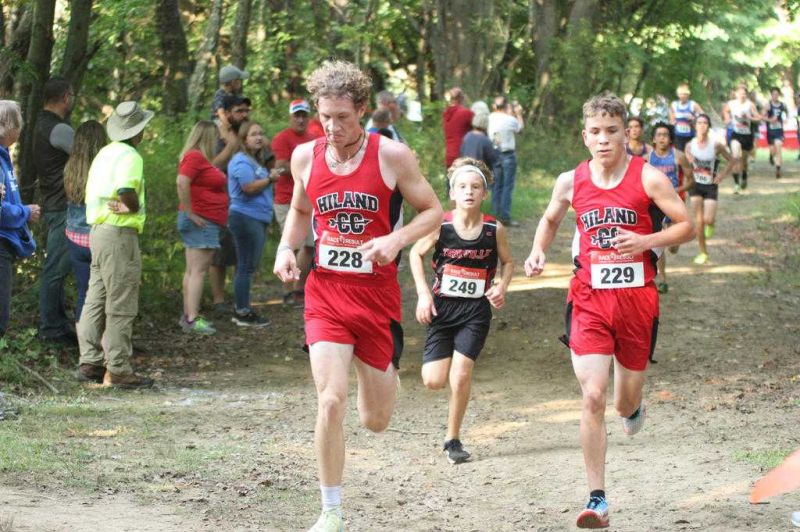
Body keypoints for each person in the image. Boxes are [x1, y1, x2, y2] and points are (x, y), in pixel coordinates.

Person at [273, 60, 442, 532]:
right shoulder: (306, 156)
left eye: (342, 117)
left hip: (376, 300)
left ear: (362, 110)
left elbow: (433, 211)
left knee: (375, 420)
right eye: (324, 117)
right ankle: (331, 511)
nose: (332, 126)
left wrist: (395, 239)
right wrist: (288, 247)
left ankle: (385, 375)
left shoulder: (391, 156)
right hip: (325, 293)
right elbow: (302, 209)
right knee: (330, 400)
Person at [523, 93, 694, 529]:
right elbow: (550, 219)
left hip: (637, 299)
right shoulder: (570, 180)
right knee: (593, 394)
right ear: (585, 136)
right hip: (589, 297)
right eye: (595, 132)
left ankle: (633, 408)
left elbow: (686, 226)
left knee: (622, 401)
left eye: (612, 131)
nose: (604, 140)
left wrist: (646, 242)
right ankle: (597, 497)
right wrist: (538, 251)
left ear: (625, 133)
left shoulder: (649, 178)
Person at [409, 158, 513, 464]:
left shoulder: (494, 229)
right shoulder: (440, 225)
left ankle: (452, 439)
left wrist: (502, 286)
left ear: (484, 194)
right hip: (442, 310)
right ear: (453, 193)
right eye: (462, 186)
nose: (469, 191)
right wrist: (423, 294)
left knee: (461, 373)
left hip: (475, 312)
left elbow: (508, 262)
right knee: (433, 380)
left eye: (476, 187)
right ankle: (450, 424)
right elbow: (415, 253)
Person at [76, 101, 154, 389]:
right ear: (139, 131)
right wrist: (132, 208)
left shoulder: (104, 154)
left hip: (97, 231)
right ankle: (119, 368)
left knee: (95, 296)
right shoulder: (130, 155)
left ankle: (90, 361)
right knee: (121, 300)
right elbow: (125, 189)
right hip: (119, 234)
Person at [176, 121, 230, 335]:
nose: (218, 140)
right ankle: (192, 318)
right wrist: (190, 212)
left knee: (191, 271)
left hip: (204, 221)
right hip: (202, 222)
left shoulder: (198, 158)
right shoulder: (195, 156)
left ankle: (188, 316)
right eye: (216, 136)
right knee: (198, 272)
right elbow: (182, 182)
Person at [35, 77, 76, 344]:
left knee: (57, 267)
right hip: (61, 206)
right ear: (65, 97)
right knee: (56, 269)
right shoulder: (59, 129)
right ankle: (51, 328)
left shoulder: (40, 124)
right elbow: (89, 155)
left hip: (53, 203)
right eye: (71, 94)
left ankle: (57, 324)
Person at [228, 121, 278, 327]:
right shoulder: (241, 161)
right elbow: (247, 187)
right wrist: (270, 179)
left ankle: (243, 307)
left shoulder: (255, 161)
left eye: (261, 133)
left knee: (248, 265)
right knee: (245, 265)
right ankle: (242, 311)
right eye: (254, 134)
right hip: (245, 217)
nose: (259, 137)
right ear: (244, 139)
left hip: (257, 218)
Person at [1, 100, 40, 339]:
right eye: (19, 125)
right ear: (8, 125)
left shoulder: (5, 155)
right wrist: (25, 212)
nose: (20, 130)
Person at [271, 99, 317, 307]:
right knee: (291, 245)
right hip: (286, 199)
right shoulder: (282, 138)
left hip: (308, 199)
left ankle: (298, 288)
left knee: (309, 245)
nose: (300, 119)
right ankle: (288, 291)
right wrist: (304, 167)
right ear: (290, 117)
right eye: (296, 115)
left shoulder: (313, 138)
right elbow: (280, 166)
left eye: (303, 115)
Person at [209, 94, 252, 314]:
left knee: (241, 251)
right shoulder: (215, 135)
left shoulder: (243, 132)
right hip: (220, 201)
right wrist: (232, 144)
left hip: (244, 202)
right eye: (239, 111)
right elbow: (211, 166)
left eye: (246, 110)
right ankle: (218, 301)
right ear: (225, 113)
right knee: (219, 253)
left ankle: (240, 300)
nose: (244, 115)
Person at [62, 120, 106, 323]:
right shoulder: (103, 169)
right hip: (97, 238)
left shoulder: (69, 168)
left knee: (84, 294)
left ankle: (84, 346)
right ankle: (100, 344)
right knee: (103, 296)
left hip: (74, 238)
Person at [647, 122, 694, 293]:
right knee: (660, 242)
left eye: (665, 135)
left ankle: (676, 242)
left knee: (672, 246)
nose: (662, 138)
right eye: (658, 135)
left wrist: (676, 191)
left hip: (675, 204)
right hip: (655, 206)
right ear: (653, 138)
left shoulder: (678, 156)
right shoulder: (648, 157)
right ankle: (663, 279)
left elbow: (691, 180)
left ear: (670, 138)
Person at [685, 114, 735, 265]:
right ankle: (703, 252)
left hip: (710, 185)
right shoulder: (689, 145)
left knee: (708, 219)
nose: (702, 125)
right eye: (699, 123)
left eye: (705, 123)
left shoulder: (716, 145)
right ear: (695, 126)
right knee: (699, 221)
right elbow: (685, 164)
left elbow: (731, 160)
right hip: (695, 185)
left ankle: (711, 225)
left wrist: (721, 176)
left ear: (708, 126)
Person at [488, 96, 524, 227]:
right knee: (507, 186)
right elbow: (520, 129)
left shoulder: (490, 117)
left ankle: (493, 215)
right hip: (508, 154)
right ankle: (505, 216)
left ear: (494, 106)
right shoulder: (510, 119)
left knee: (496, 185)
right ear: (506, 106)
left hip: (494, 153)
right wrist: (518, 114)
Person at [723, 84, 761, 193]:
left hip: (747, 136)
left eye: (744, 94)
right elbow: (725, 111)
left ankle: (744, 176)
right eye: (740, 94)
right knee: (735, 157)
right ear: (736, 94)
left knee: (744, 161)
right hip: (736, 134)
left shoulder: (750, 105)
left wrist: (750, 118)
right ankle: (736, 184)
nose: (742, 96)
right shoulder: (731, 104)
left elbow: (758, 118)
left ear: (746, 95)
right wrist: (727, 118)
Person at [443, 87, 474, 169]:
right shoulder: (465, 113)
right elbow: (478, 124)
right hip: (462, 155)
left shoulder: (446, 114)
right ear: (462, 98)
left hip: (449, 155)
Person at [669, 83, 703, 152]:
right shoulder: (674, 105)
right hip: (678, 135)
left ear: (688, 95)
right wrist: (673, 121)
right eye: (681, 94)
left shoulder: (693, 104)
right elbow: (671, 120)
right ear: (678, 95)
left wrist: (694, 118)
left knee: (690, 154)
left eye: (685, 94)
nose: (683, 96)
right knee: (679, 154)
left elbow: (703, 116)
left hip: (690, 135)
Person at [763, 87, 787, 179]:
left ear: (779, 95)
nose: (775, 96)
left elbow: (786, 115)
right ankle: (771, 155)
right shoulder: (768, 105)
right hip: (770, 132)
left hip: (779, 131)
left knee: (779, 148)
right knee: (773, 150)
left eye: (777, 94)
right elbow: (762, 117)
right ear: (771, 95)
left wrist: (785, 120)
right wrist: (770, 120)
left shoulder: (782, 105)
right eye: (773, 94)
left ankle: (778, 169)